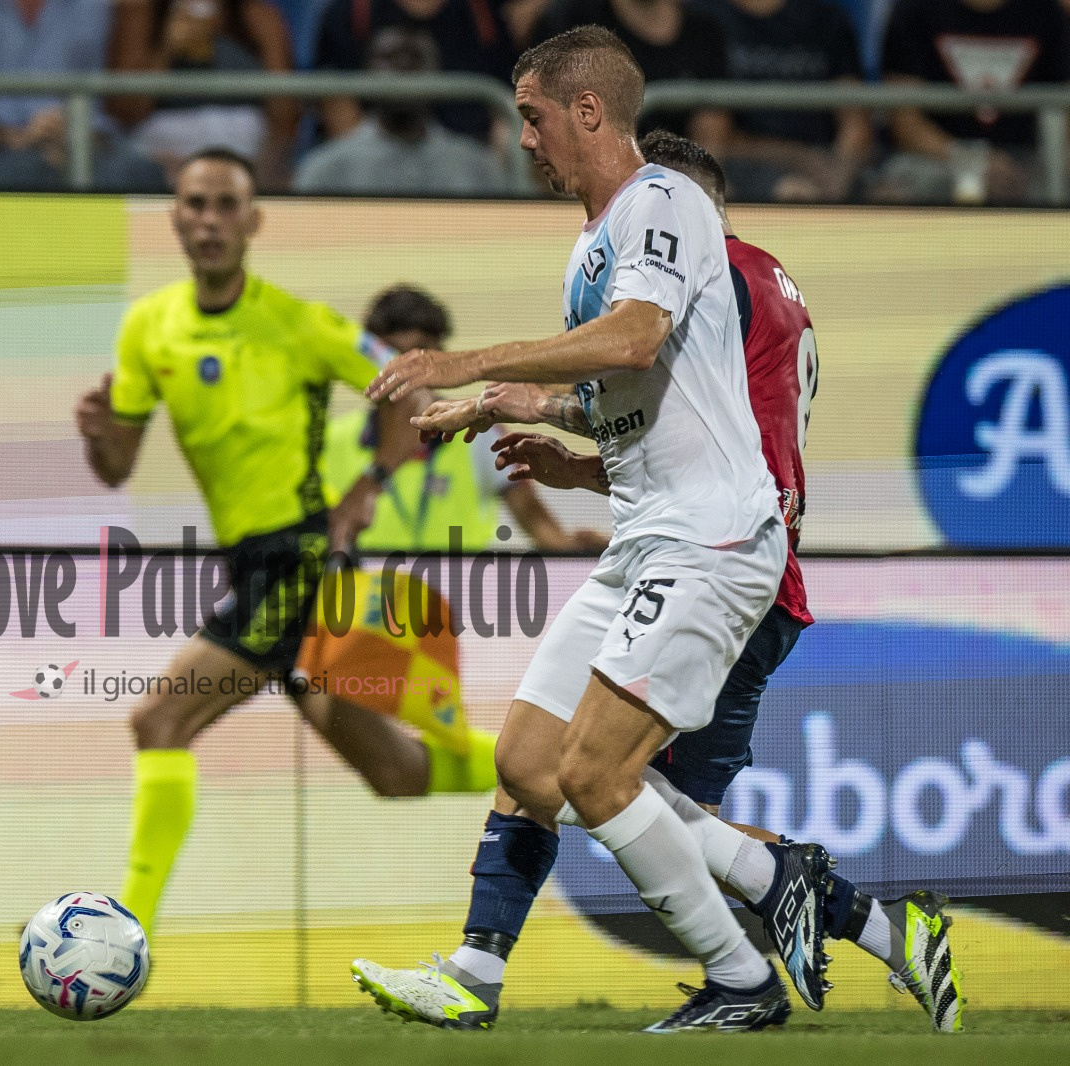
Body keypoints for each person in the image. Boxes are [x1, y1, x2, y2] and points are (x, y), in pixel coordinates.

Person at [358, 129, 961, 1034]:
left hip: (727, 566)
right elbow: (675, 426)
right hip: (690, 549)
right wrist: (570, 451)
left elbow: (740, 456)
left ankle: (832, 930)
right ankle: (477, 968)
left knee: (624, 790)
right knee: (551, 769)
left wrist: (487, 378)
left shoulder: (726, 278)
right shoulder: (759, 285)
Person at [349, 26, 797, 1032]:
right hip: (646, 534)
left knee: (596, 771)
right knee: (527, 759)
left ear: (586, 111)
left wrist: (459, 366)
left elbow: (636, 335)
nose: (522, 140)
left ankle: (741, 977)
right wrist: (520, 413)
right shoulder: (593, 245)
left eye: (531, 117)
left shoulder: (667, 200)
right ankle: (478, 970)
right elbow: (621, 390)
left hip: (710, 538)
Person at [75, 147, 489, 936]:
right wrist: (99, 437)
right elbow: (116, 465)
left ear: (252, 221)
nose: (209, 221)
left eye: (226, 205)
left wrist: (366, 486)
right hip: (255, 563)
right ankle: (561, 773)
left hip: (298, 559)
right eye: (195, 204)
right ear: (175, 216)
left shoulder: (298, 324)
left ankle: (126, 935)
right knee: (396, 773)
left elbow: (415, 389)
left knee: (159, 723)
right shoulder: (147, 327)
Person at [293, 283, 607, 800]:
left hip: (467, 633)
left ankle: (568, 778)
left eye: (419, 357)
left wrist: (581, 549)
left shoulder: (480, 435)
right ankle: (560, 775)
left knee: (445, 771)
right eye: (390, 355)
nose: (405, 374)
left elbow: (541, 530)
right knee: (382, 764)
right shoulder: (337, 443)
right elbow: (326, 541)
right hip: (374, 632)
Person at [0, 0, 164, 191]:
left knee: (143, 172)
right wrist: (25, 138)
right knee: (21, 170)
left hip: (75, 141)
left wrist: (78, 136)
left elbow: (99, 106)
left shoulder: (92, 5)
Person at [875, 0, 1070, 205]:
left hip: (1026, 161)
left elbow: (1064, 112)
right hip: (936, 158)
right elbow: (905, 123)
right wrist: (974, 161)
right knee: (892, 194)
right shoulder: (914, 10)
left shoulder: (1049, 12)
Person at [294, 27, 508, 196]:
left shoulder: (477, 166)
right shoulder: (327, 169)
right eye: (390, 58)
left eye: (415, 58)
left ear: (437, 71)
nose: (404, 69)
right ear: (367, 71)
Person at [107, 0, 299, 188]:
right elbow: (125, 112)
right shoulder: (141, 12)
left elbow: (286, 117)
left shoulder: (260, 16)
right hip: (159, 164)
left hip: (249, 162)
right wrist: (167, 48)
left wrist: (257, 170)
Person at [703, 0, 873, 202]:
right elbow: (710, 136)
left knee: (888, 195)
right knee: (792, 192)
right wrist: (797, 158)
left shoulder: (827, 19)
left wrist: (838, 179)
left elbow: (855, 122)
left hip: (826, 158)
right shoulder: (707, 19)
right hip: (741, 161)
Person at [314, 0, 520, 146]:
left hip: (468, 175)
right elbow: (341, 126)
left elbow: (507, 111)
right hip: (370, 177)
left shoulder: (487, 13)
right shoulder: (350, 13)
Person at [535, 0, 730, 153]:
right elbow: (549, 127)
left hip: (678, 184)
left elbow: (710, 136)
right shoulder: (570, 22)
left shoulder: (705, 32)